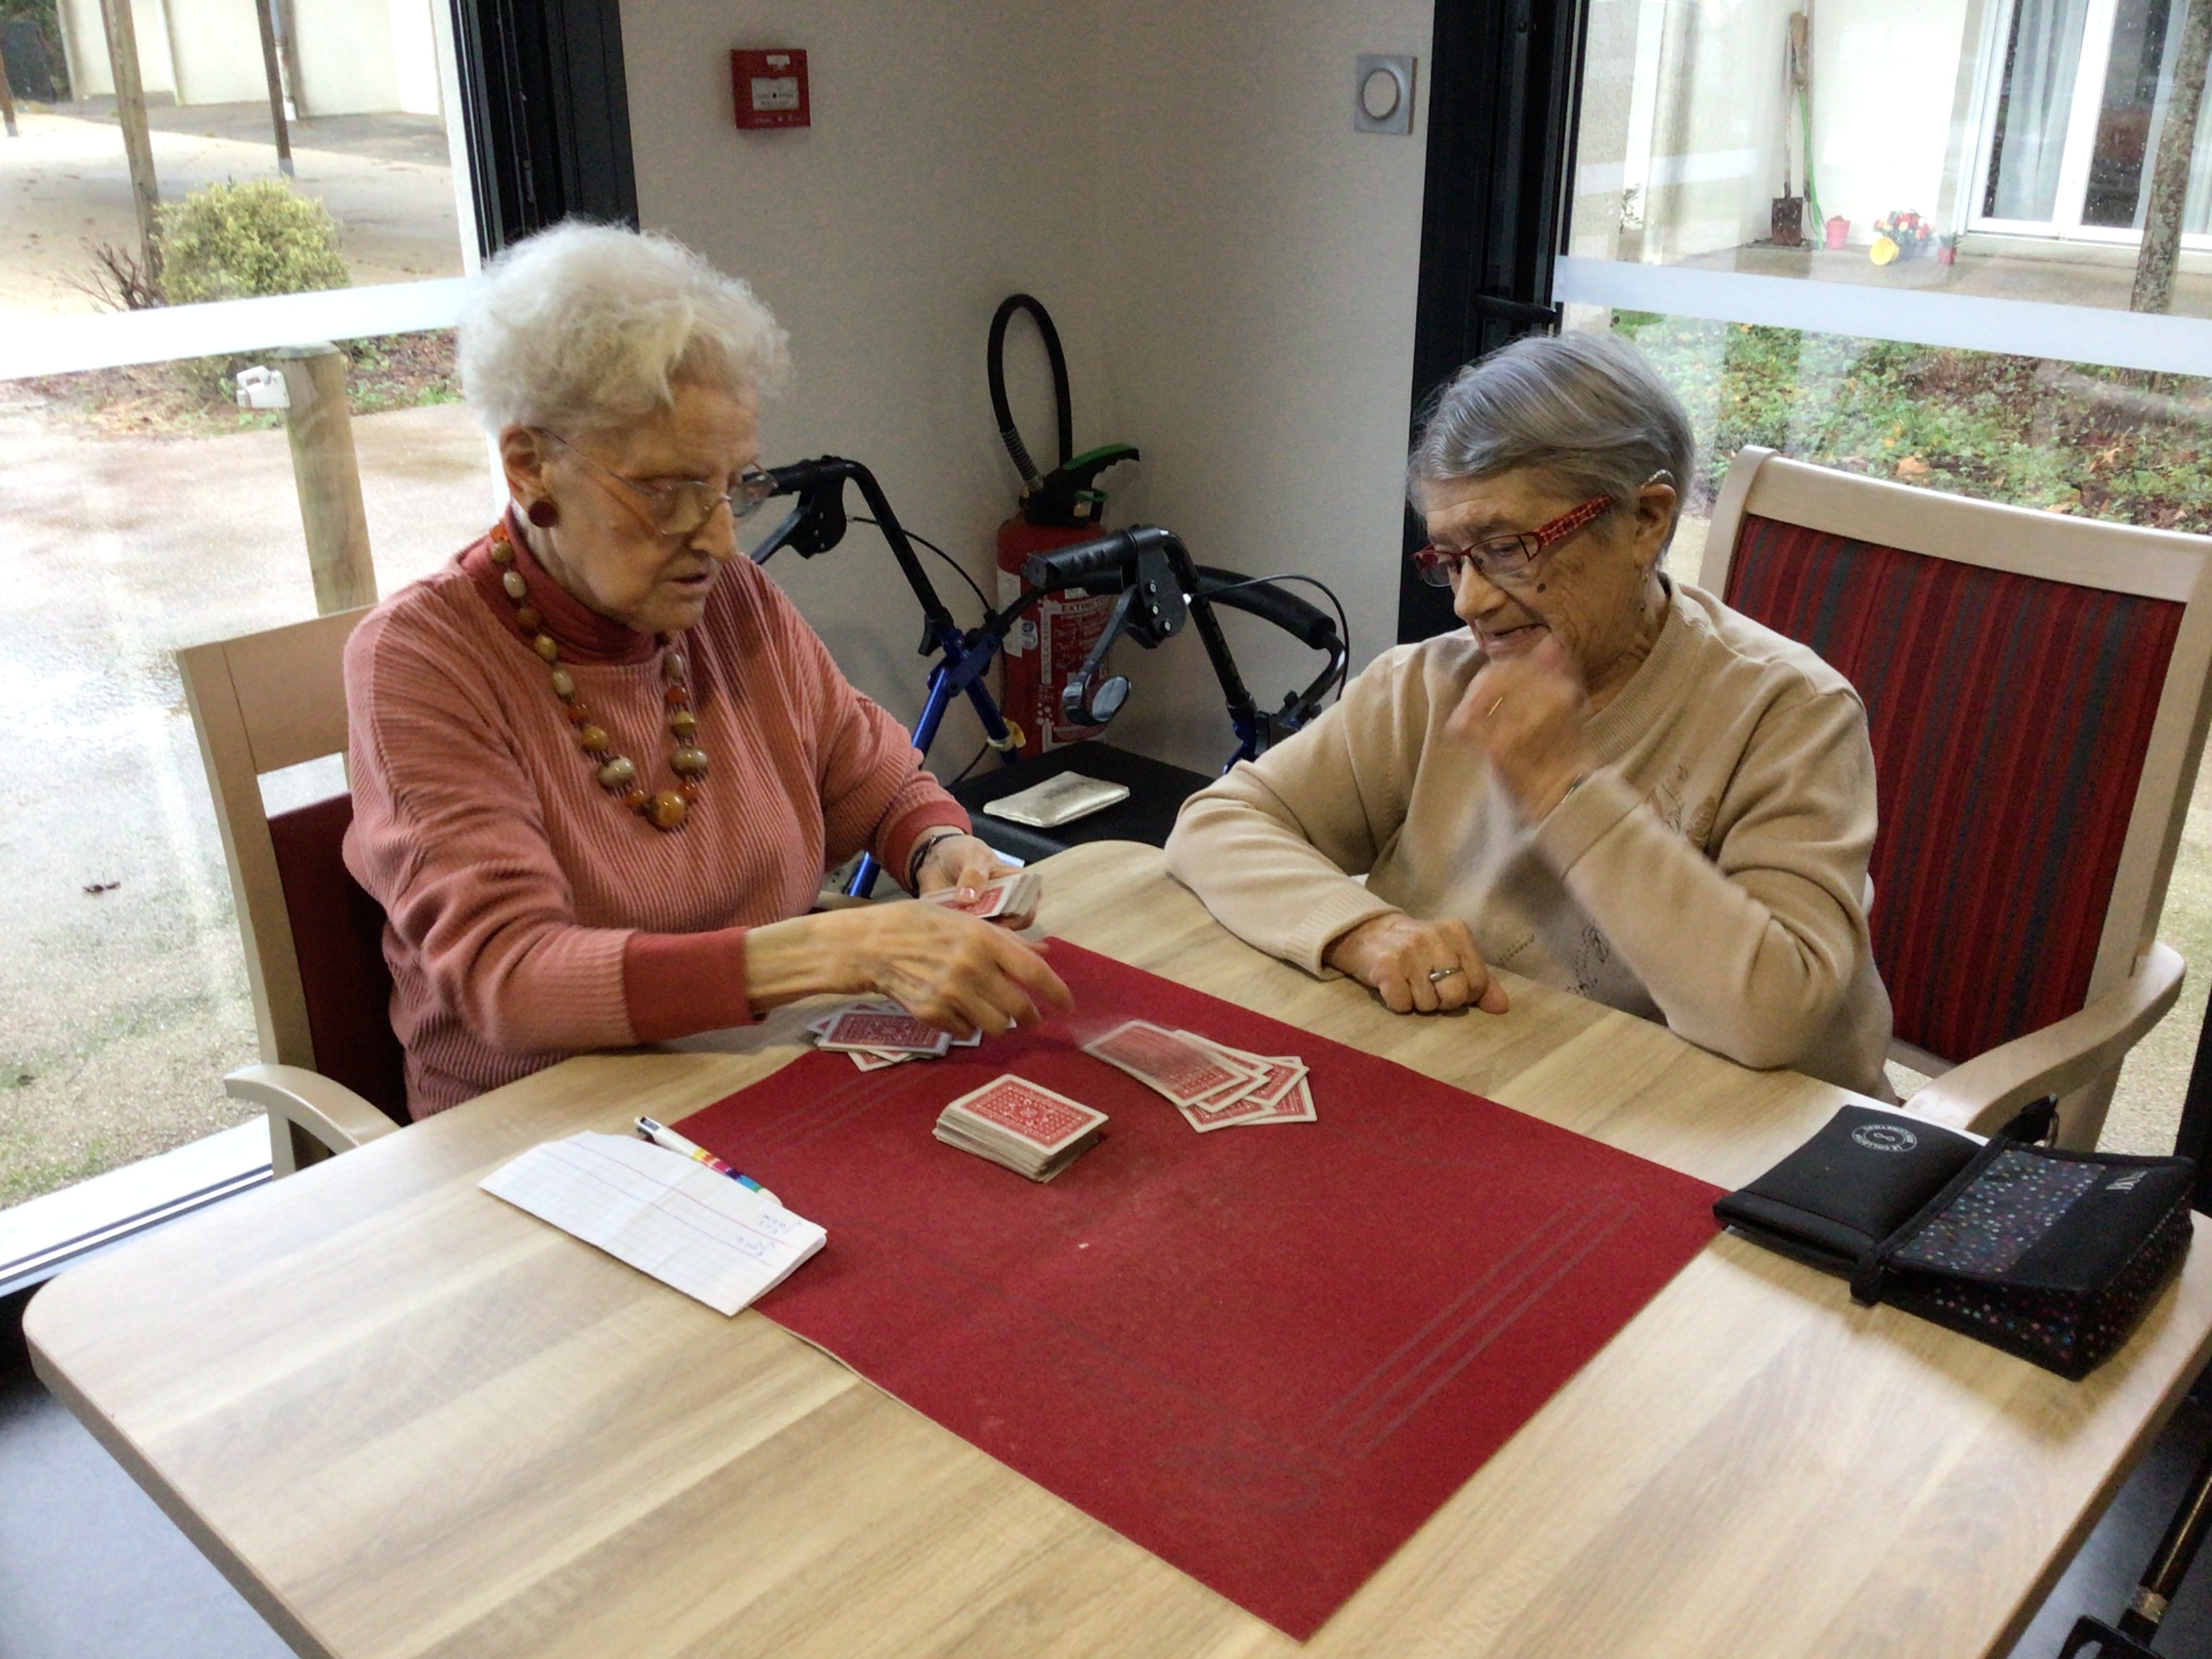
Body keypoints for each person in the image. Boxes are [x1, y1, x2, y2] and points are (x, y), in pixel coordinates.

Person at [345, 222, 1068, 1116]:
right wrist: (838, 952)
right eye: (670, 491)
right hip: (542, 1127)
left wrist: (937, 849)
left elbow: (875, 784)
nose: (722, 539)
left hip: (753, 1075)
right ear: (529, 466)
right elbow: (510, 975)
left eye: (736, 486)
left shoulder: (731, 602)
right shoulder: (419, 661)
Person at [1164, 331, 1893, 1094]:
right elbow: (1220, 823)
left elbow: (1773, 1020)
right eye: (1451, 561)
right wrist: (1365, 931)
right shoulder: (1431, 683)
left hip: (1725, 1126)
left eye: (1508, 549)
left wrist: (1563, 784)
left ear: (1644, 520)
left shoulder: (1788, 712)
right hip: (1497, 1085)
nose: (1469, 602)